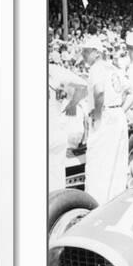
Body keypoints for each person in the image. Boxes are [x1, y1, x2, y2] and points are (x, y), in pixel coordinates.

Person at [82, 37, 133, 204]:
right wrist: (121, 110)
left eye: (86, 51)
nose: (83, 55)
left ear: (96, 53)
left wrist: (98, 116)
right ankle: (114, 202)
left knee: (97, 162)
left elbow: (99, 92)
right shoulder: (113, 67)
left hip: (104, 114)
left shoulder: (96, 68)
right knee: (117, 163)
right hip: (117, 114)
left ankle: (95, 203)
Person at [48, 61, 86, 192]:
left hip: (52, 134)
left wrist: (71, 106)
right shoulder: (55, 71)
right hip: (56, 133)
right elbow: (82, 86)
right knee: (56, 182)